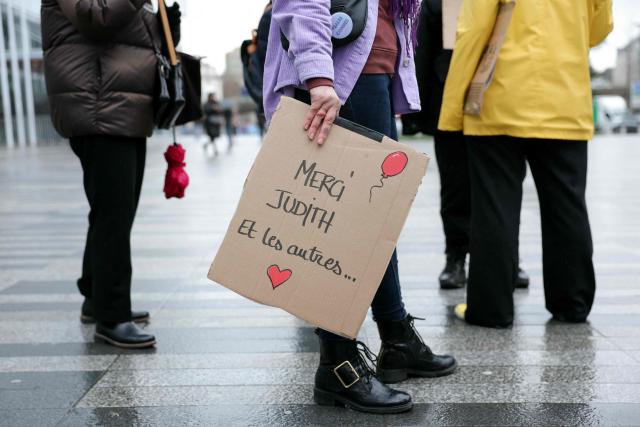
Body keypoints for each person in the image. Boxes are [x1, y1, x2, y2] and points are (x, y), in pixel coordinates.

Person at [264, 0, 457, 414]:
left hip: (371, 72)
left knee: (373, 214)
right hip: (340, 76)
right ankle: (337, 361)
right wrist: (318, 77)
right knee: (343, 222)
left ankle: (395, 335)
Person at [439, 0, 613, 327]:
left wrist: (452, 109)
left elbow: (473, 28)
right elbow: (600, 28)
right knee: (567, 205)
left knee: (495, 208)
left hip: (499, 97)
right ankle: (572, 304)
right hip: (564, 97)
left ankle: (491, 309)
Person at [41, 0, 180, 348]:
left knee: (113, 212)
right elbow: (97, 18)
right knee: (113, 216)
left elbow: (134, 38)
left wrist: (168, 21)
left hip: (123, 106)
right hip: (97, 105)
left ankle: (96, 297)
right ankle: (112, 316)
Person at [402, 0, 528, 290]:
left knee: (503, 188)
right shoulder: (436, 2)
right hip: (449, 105)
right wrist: (415, 112)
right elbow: (422, 50)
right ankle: (456, 257)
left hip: (499, 99)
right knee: (456, 188)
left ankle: (509, 257)